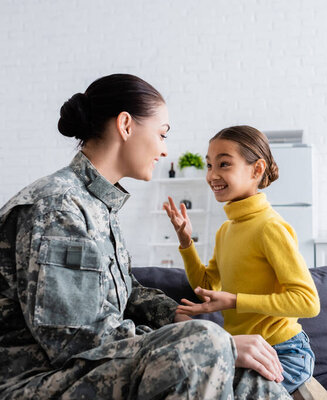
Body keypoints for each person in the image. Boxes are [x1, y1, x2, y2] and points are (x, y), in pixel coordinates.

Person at [0, 74, 291, 400]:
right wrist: (204, 339)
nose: (165, 150)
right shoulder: (57, 206)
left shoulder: (98, 205)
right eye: (162, 134)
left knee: (252, 379)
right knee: (205, 346)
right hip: (36, 379)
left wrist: (173, 314)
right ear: (125, 125)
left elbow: (122, 291)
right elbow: (75, 341)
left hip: (90, 368)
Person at [162, 125, 327, 397]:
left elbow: (308, 302)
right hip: (244, 351)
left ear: (256, 169)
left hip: (284, 352)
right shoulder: (227, 230)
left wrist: (235, 300)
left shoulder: (270, 227)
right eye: (209, 165)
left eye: (224, 164)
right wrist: (185, 242)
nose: (212, 175)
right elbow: (205, 283)